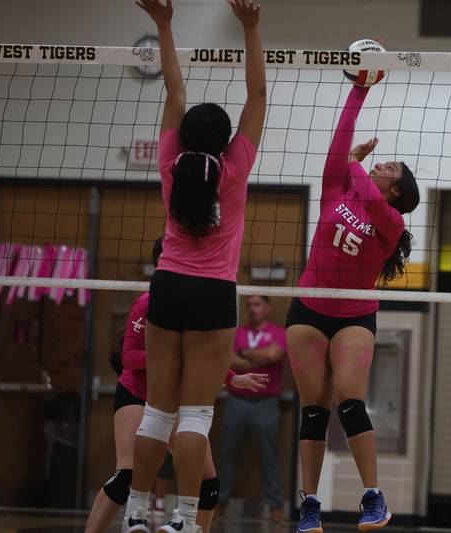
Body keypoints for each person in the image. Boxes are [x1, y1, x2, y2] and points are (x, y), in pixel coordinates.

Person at [123, 0, 266, 531]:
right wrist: (252, 28)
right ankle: (184, 520)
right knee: (196, 414)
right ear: (227, 141)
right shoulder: (234, 167)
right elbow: (258, 94)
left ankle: (136, 513)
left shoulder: (168, 162)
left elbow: (175, 92)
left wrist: (163, 24)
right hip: (211, 294)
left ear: (184, 138)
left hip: (167, 286)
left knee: (158, 411)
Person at [286, 81, 420, 533]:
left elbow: (349, 164)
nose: (381, 163)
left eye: (391, 167)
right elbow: (339, 146)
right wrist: (359, 90)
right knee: (313, 408)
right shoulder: (337, 191)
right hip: (308, 308)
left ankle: (373, 496)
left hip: (353, 315)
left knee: (349, 400)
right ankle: (310, 504)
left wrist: (356, 163)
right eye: (383, 161)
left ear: (396, 191)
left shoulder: (392, 221)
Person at [84, 239, 267, 533]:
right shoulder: (147, 302)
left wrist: (232, 378)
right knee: (127, 476)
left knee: (209, 482)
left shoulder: (198, 303)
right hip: (137, 392)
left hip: (175, 399)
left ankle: (191, 526)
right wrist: (169, 359)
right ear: (163, 264)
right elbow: (128, 357)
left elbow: (202, 357)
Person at [218, 295, 287, 522]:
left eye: (257, 304)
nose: (252, 309)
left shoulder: (278, 332)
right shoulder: (237, 333)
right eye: (248, 305)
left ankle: (275, 506)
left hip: (266, 404)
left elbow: (274, 354)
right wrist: (260, 359)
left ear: (267, 308)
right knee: (227, 455)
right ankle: (219, 503)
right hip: (236, 401)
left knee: (269, 456)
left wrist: (244, 354)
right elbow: (228, 360)